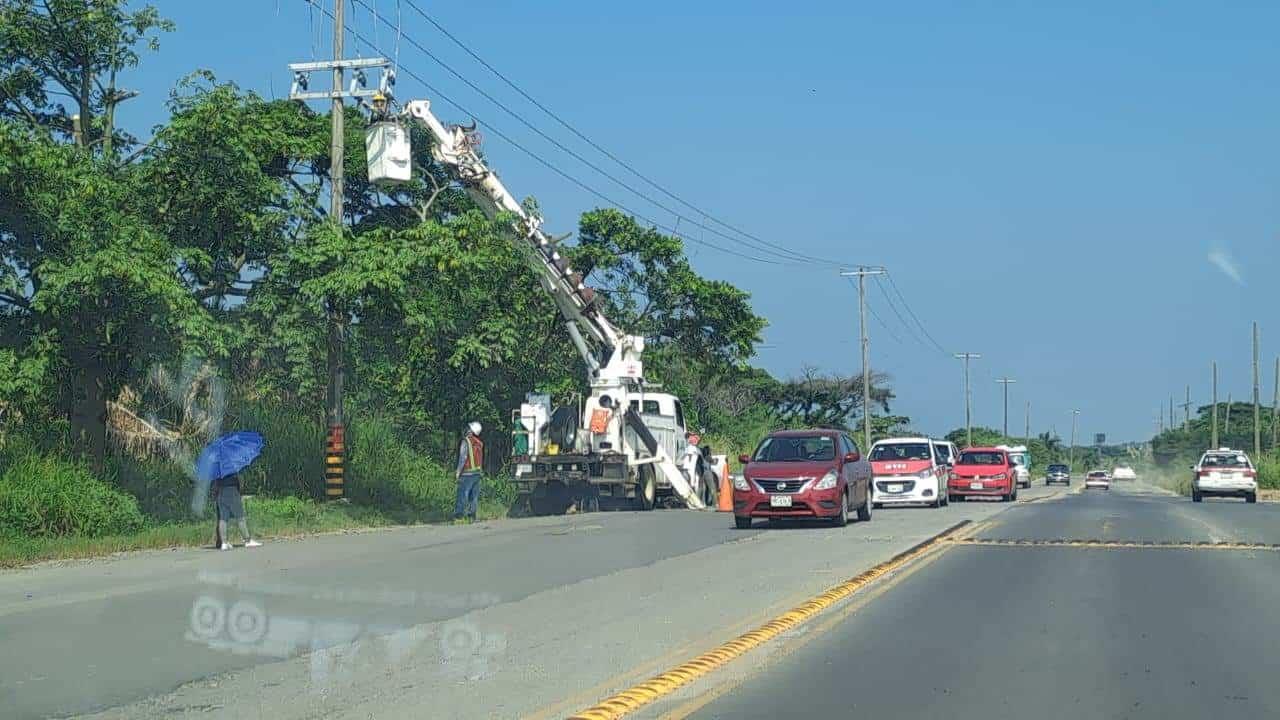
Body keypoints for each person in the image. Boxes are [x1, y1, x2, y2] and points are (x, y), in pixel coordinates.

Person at [215, 471, 261, 549]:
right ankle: (247, 540)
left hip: (221, 493)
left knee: (223, 519)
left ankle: (224, 543)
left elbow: (215, 485)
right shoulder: (231, 467)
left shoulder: (217, 471)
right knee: (240, 517)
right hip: (232, 491)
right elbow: (240, 481)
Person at [454, 421, 484, 523]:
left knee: (463, 494)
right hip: (477, 473)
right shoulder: (479, 443)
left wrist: (458, 472)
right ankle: (472, 516)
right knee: (473, 496)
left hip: (467, 473)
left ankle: (459, 516)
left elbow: (463, 457)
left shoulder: (466, 441)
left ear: (471, 430)